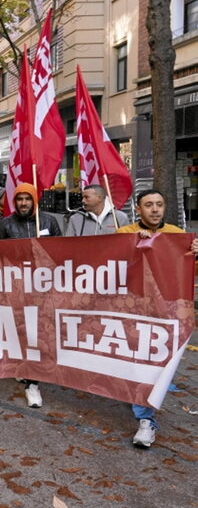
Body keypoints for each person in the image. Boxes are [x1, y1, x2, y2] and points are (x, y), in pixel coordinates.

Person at [116, 188, 198, 447]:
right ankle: (145, 417)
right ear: (138, 209)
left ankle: (147, 411)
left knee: (155, 363)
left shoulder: (178, 236)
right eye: (148, 204)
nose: (154, 209)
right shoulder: (124, 234)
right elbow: (111, 267)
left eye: (159, 204)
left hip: (167, 312)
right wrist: (131, 248)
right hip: (134, 310)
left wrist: (197, 253)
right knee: (140, 362)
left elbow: (189, 272)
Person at [0, 183, 61, 408]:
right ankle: (28, 374)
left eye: (27, 199)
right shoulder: (5, 225)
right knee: (23, 329)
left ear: (35, 200)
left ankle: (32, 377)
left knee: (40, 331)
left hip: (44, 288)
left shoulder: (50, 222)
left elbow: (62, 252)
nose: (23, 203)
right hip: (17, 287)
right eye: (20, 199)